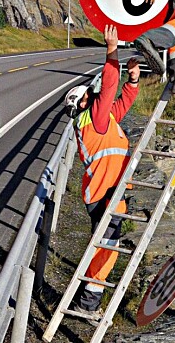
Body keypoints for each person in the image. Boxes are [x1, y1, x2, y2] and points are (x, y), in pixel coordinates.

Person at [64, 24, 140, 321]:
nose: (94, 95)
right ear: (83, 103)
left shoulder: (100, 119)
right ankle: (88, 303)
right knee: (107, 248)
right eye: (89, 95)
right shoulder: (92, 117)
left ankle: (85, 295)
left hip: (105, 191)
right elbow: (108, 88)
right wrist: (112, 51)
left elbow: (120, 103)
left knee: (105, 245)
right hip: (106, 193)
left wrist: (132, 81)